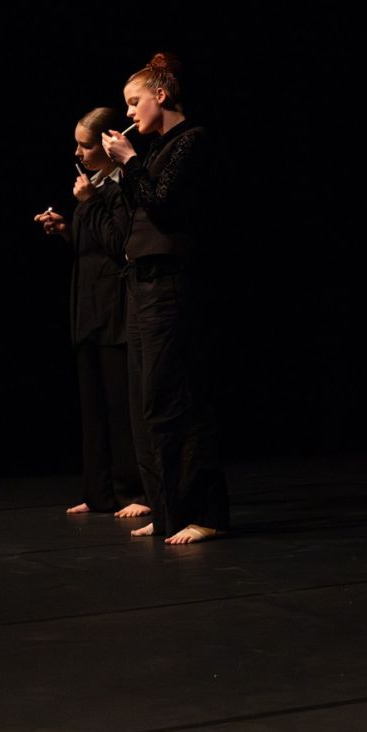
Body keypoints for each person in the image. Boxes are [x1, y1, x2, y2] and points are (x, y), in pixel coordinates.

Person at [101, 53, 230, 546]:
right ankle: (169, 508)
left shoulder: (191, 140)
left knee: (176, 399)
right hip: (141, 282)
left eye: (134, 101)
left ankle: (206, 512)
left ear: (161, 95)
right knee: (146, 404)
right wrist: (123, 170)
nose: (129, 112)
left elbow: (164, 204)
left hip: (171, 283)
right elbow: (137, 211)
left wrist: (130, 162)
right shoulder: (154, 150)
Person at [34, 106, 148, 520]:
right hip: (88, 311)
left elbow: (119, 245)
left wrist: (92, 202)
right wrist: (67, 230)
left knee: (120, 408)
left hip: (114, 313)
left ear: (105, 144)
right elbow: (94, 247)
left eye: (84, 145)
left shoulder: (120, 187)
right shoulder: (95, 187)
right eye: (77, 145)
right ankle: (99, 492)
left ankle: (135, 490)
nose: (77, 153)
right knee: (93, 408)